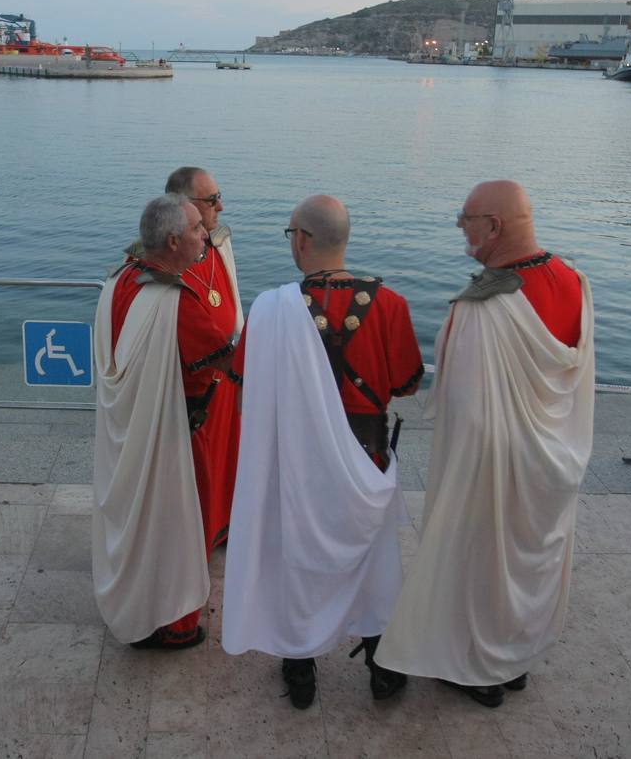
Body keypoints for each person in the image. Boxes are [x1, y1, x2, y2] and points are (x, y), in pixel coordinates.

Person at [375, 180, 595, 708]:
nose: (459, 226)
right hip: (552, 461)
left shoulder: (483, 309)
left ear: (493, 227)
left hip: (495, 464)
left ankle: (477, 670)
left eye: (465, 218)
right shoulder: (574, 280)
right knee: (525, 563)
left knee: (481, 560)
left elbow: (467, 411)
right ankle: (514, 659)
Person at [223, 195, 423, 709]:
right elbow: (406, 384)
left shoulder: (270, 310)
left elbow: (244, 390)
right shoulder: (392, 304)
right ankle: (382, 668)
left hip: (298, 462)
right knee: (375, 560)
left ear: (302, 239)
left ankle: (300, 668)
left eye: (289, 233)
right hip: (367, 459)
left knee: (300, 561)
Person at [93, 194, 232, 650]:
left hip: (130, 426)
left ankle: (138, 604)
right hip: (176, 436)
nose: (205, 236)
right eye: (196, 229)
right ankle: (174, 624)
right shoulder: (178, 302)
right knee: (176, 527)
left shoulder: (120, 278)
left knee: (143, 525)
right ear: (173, 241)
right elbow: (229, 364)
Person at [127, 167, 243, 555]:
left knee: (228, 464)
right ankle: (192, 551)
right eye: (211, 202)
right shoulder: (156, 278)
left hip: (222, 386)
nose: (220, 208)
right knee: (196, 479)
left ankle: (224, 527)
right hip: (189, 395)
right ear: (183, 210)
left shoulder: (217, 245)